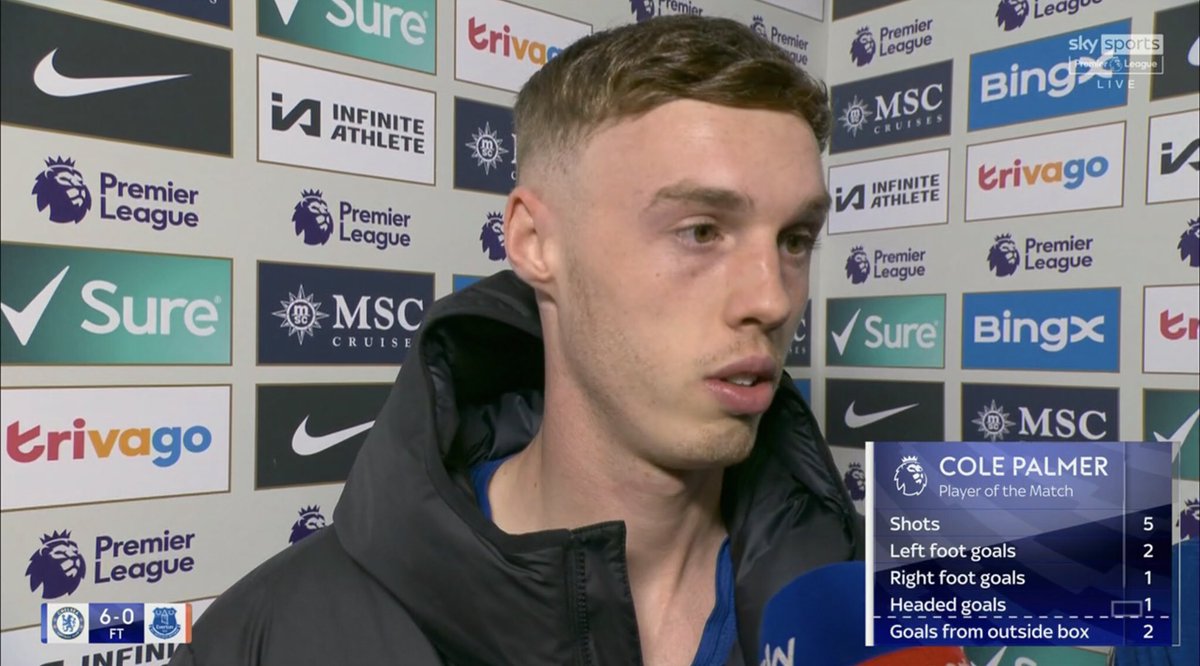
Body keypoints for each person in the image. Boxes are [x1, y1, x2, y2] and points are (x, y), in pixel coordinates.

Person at [171, 15, 861, 666]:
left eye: (796, 239)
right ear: (535, 243)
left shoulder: (867, 607)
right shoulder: (272, 637)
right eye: (701, 231)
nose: (770, 298)